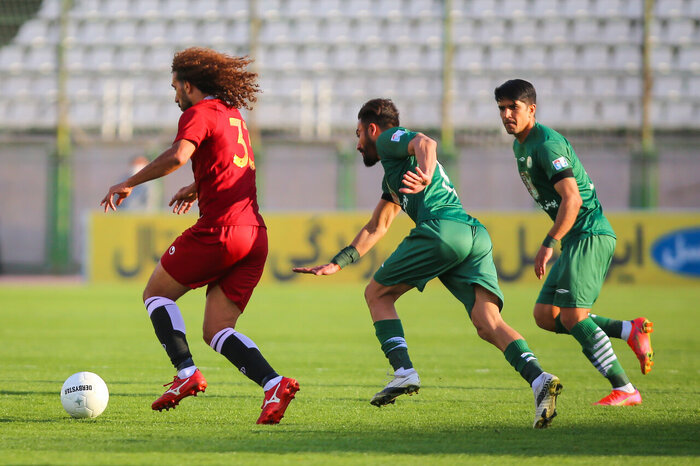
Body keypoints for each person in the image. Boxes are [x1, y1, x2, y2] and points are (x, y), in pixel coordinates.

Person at [294, 98, 562, 429]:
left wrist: (425, 173)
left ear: (373, 129)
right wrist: (338, 262)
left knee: (377, 294)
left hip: (441, 229)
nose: (358, 142)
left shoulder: (389, 140)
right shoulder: (392, 175)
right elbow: (377, 226)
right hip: (472, 233)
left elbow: (426, 142)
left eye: (359, 132)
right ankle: (539, 380)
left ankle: (403, 371)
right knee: (486, 321)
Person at [100, 47, 299, 424]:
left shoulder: (198, 113)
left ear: (189, 86)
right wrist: (198, 185)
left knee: (155, 294)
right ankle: (273, 383)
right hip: (255, 235)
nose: (174, 96)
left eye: (175, 88)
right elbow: (230, 161)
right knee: (217, 329)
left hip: (221, 230)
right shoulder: (232, 114)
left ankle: (186, 373)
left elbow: (178, 155)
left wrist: (129, 182)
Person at [494, 79, 654, 406]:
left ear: (532, 109)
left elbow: (573, 199)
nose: (507, 114)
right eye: (502, 108)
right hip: (576, 238)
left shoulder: (546, 145)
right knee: (544, 314)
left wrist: (549, 241)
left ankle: (625, 388)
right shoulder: (520, 145)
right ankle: (629, 330)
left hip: (589, 233)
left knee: (573, 317)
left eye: (514, 107)